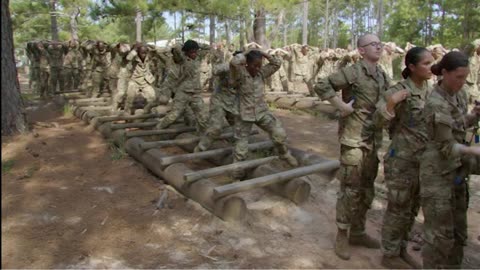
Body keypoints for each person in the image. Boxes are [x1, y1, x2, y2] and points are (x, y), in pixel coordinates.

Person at [313, 33, 390, 260]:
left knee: (367, 190)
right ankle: (342, 235)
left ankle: (358, 231)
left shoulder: (382, 75)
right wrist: (340, 105)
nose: (378, 47)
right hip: (354, 140)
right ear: (361, 50)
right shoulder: (353, 71)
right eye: (373, 44)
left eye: (380, 44)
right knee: (349, 190)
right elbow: (322, 83)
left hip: (373, 140)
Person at [374, 47, 434, 268]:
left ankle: (400, 249)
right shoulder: (399, 90)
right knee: (398, 208)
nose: (431, 68)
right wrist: (391, 104)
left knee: (412, 209)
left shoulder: (431, 90)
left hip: (424, 161)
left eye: (432, 63)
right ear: (411, 67)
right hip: (402, 161)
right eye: (426, 64)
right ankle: (388, 255)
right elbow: (376, 121)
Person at [420, 51, 480, 269]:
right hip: (438, 174)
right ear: (444, 73)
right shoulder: (435, 102)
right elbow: (447, 145)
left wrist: (473, 116)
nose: (462, 82)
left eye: (465, 77)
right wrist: (474, 152)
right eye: (458, 77)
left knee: (458, 234)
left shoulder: (458, 94)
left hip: (457, 170)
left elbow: (457, 124)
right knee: (439, 238)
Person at [229, 49, 298, 179]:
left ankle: (284, 154)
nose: (257, 68)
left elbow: (277, 63)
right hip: (244, 114)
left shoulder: (261, 73)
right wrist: (247, 52)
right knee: (241, 149)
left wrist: (262, 52)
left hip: (261, 112)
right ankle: (236, 175)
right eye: (254, 65)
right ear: (246, 64)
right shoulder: (239, 74)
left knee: (279, 133)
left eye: (259, 65)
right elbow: (234, 62)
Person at [156, 40, 209, 132]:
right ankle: (158, 128)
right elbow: (176, 47)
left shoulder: (198, 58)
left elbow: (208, 47)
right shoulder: (182, 60)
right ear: (186, 52)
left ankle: (204, 135)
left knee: (202, 116)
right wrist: (183, 46)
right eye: (191, 52)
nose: (194, 54)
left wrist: (197, 45)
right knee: (174, 115)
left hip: (196, 93)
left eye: (195, 51)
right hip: (183, 93)